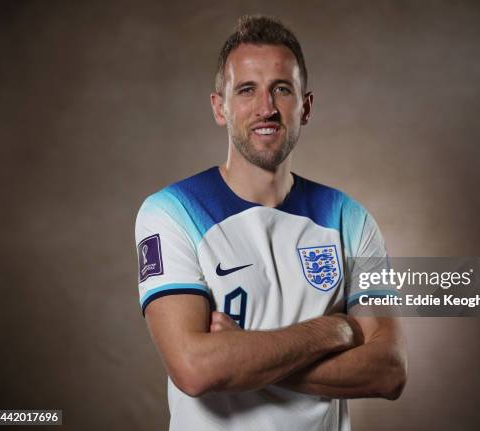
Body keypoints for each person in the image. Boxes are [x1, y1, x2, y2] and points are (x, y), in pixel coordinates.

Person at [134, 15, 407, 431]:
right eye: (246, 90)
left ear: (306, 106)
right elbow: (194, 369)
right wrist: (332, 331)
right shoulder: (170, 211)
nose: (266, 108)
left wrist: (242, 355)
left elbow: (389, 371)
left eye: (282, 89)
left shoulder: (349, 218)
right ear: (219, 107)